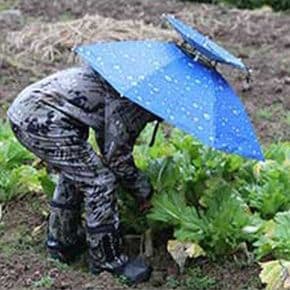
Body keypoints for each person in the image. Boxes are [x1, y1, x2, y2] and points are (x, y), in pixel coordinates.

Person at [7, 65, 160, 284]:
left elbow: (107, 137)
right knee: (100, 182)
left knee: (77, 174)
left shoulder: (124, 77)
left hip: (28, 110)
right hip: (42, 119)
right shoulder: (133, 101)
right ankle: (108, 262)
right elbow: (117, 156)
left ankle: (63, 242)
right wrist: (143, 192)